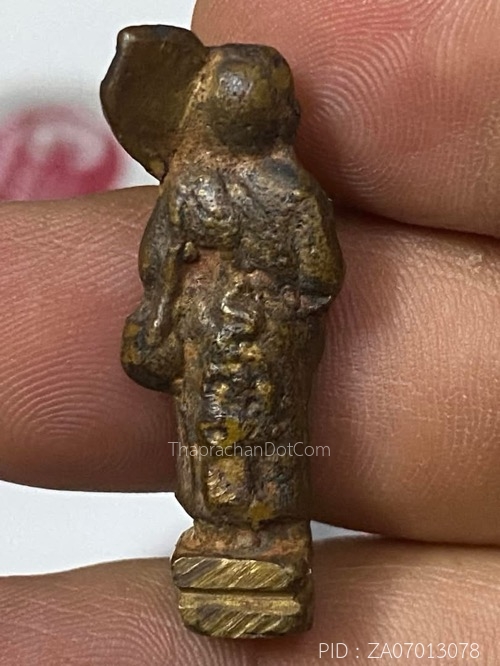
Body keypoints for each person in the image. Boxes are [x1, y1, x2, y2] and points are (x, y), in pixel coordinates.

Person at [0, 0, 499, 662]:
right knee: (224, 438)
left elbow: (309, 276)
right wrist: (189, 303)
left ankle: (257, 542)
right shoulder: (240, 187)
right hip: (229, 340)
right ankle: (234, 538)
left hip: (250, 343)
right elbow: (200, 259)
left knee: (250, 439)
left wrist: (246, 302)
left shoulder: (258, 190)